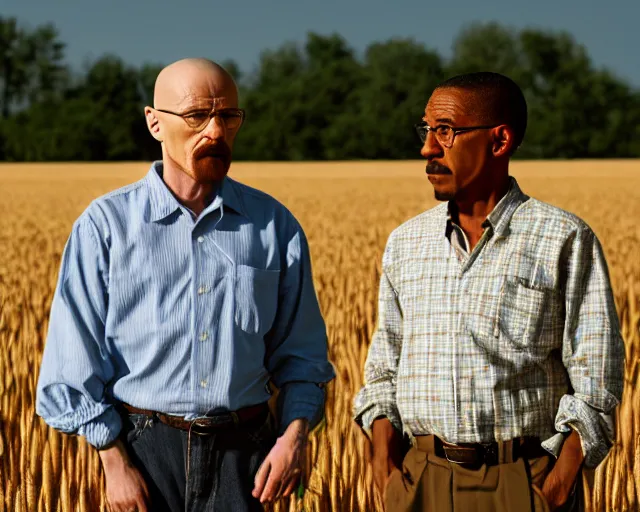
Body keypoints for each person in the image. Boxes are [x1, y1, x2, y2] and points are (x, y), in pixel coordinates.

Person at [36, 58, 335, 512]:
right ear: (154, 123)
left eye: (228, 116)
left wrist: (294, 437)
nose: (215, 131)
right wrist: (114, 461)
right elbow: (69, 366)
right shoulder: (105, 227)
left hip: (247, 455)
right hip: (144, 454)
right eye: (197, 116)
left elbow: (303, 358)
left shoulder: (275, 226)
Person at [352, 71, 624, 512]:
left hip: (523, 482)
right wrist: (386, 469)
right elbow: (384, 365)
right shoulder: (406, 242)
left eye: (445, 131)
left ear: (499, 141)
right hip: (419, 482)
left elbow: (597, 381)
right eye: (426, 130)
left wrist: (552, 490)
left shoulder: (563, 238)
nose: (427, 148)